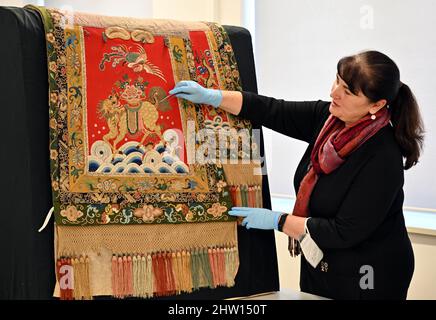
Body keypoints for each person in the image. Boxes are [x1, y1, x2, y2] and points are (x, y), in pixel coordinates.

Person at [169, 50, 424, 300]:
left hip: (369, 274)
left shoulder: (382, 157)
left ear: (377, 105)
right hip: (321, 260)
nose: (334, 93)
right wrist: (213, 96)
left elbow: (344, 231)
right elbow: (272, 110)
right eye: (337, 81)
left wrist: (278, 221)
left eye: (347, 92)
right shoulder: (329, 120)